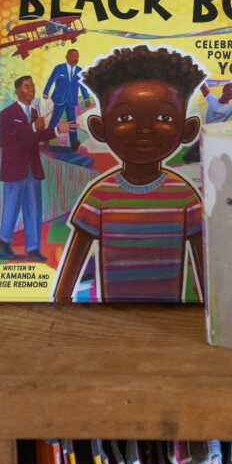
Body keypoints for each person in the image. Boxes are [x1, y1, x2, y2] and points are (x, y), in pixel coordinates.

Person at [52, 46, 207, 302]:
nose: (144, 129)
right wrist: (60, 303)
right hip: (111, 320)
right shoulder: (99, 196)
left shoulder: (185, 197)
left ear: (187, 129)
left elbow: (205, 267)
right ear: (99, 128)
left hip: (172, 322)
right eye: (125, 117)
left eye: (163, 117)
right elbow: (69, 272)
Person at [0, 75, 55, 260]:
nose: (31, 90)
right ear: (17, 91)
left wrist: (56, 130)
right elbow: (6, 140)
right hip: (14, 169)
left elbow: (37, 137)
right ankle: (4, 241)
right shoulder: (7, 114)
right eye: (26, 86)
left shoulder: (35, 113)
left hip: (33, 168)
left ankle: (33, 248)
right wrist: (31, 128)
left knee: (34, 209)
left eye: (32, 86)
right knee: (11, 207)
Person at [42, 47, 92, 150]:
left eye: (77, 57)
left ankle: (74, 142)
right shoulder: (59, 68)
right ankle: (47, 138)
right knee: (54, 120)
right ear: (67, 57)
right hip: (59, 99)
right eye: (73, 56)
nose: (76, 58)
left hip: (71, 100)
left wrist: (86, 98)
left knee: (72, 122)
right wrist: (46, 92)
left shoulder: (79, 71)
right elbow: (51, 80)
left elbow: (82, 86)